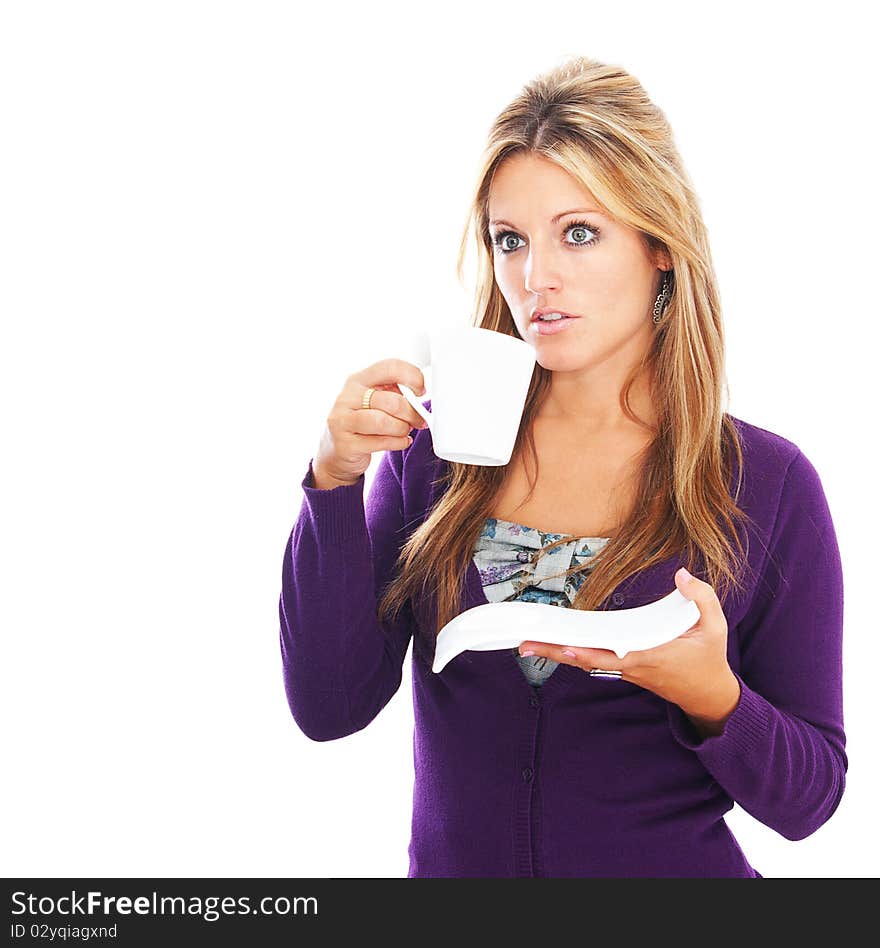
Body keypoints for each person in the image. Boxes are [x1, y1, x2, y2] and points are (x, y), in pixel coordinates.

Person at [278, 55, 846, 877]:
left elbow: (811, 800)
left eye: (578, 232)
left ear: (659, 245)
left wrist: (712, 695)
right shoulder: (437, 462)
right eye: (510, 240)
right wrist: (333, 482)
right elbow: (328, 708)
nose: (535, 278)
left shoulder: (766, 483)